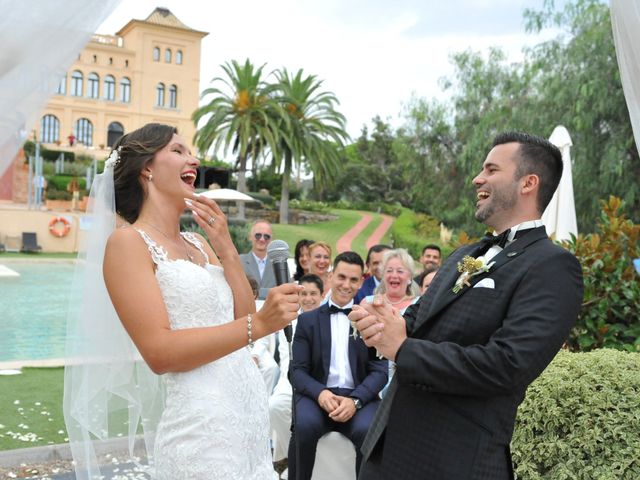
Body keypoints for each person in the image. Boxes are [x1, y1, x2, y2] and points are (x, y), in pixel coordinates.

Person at [63, 123, 302, 480]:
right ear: (147, 168)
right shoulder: (128, 243)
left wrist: (226, 251)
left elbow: (242, 319)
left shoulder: (200, 243)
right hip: (202, 433)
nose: (194, 159)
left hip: (247, 424)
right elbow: (159, 353)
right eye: (178, 150)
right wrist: (260, 324)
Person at [351, 131, 584, 479]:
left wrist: (403, 350)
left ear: (528, 183)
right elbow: (414, 322)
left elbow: (506, 366)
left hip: (453, 461)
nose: (478, 178)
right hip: (385, 448)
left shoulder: (553, 266)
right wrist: (381, 323)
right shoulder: (463, 254)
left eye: (491, 170)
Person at [289, 252, 388, 480]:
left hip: (358, 398)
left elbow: (380, 370)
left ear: (361, 282)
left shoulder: (371, 321)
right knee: (304, 426)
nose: (346, 285)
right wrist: (320, 393)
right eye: (341, 277)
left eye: (353, 280)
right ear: (331, 276)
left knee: (369, 431)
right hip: (317, 396)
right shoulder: (307, 321)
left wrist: (356, 400)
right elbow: (296, 371)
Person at [269, 273, 324, 477]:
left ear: (322, 295)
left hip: (322, 382)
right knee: (276, 406)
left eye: (313, 294)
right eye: (304, 294)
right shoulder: (288, 321)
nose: (308, 298)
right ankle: (292, 458)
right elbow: (286, 359)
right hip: (290, 378)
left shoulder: (329, 319)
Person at [364, 249, 421, 313]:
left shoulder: (419, 305)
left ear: (409, 277)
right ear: (383, 276)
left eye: (400, 271)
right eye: (389, 271)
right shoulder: (368, 302)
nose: (394, 275)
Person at [240, 220, 277, 299]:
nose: (262, 239)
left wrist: (254, 291)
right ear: (250, 237)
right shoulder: (239, 261)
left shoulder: (278, 263)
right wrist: (272, 292)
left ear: (271, 239)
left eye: (266, 236)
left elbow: (286, 290)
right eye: (258, 235)